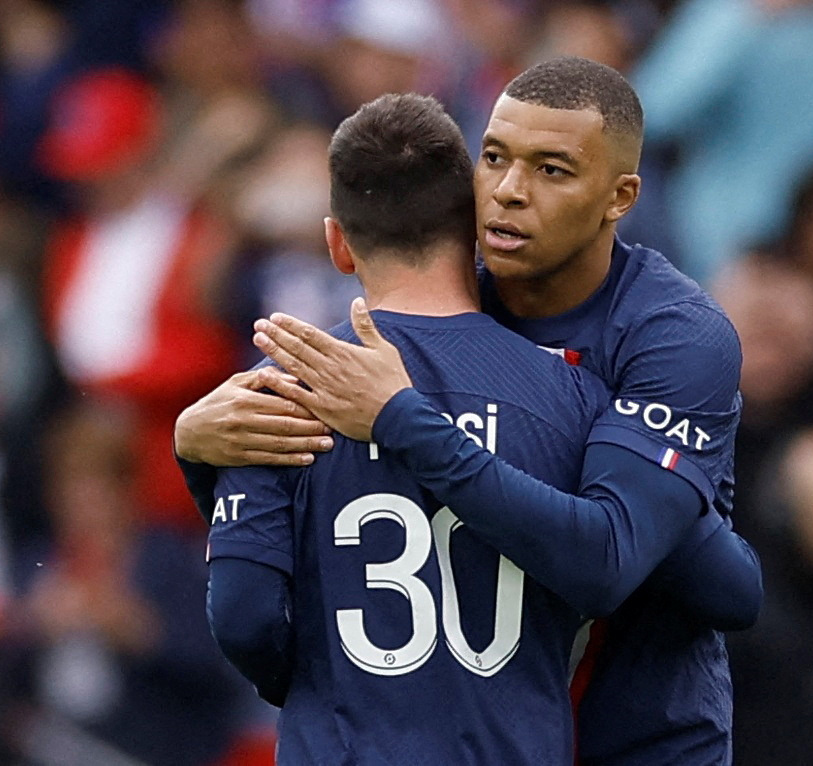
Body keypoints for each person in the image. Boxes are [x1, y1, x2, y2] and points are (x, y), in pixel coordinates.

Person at [180, 58, 762, 765]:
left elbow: (685, 579)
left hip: (640, 739)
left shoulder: (672, 335)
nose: (510, 193)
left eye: (551, 169)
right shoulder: (445, 305)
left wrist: (404, 420)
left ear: (621, 196)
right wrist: (197, 445)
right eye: (494, 158)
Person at [205, 92, 622, 764]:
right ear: (475, 223)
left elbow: (244, 615)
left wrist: (311, 686)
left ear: (337, 243)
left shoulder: (281, 386)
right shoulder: (573, 394)